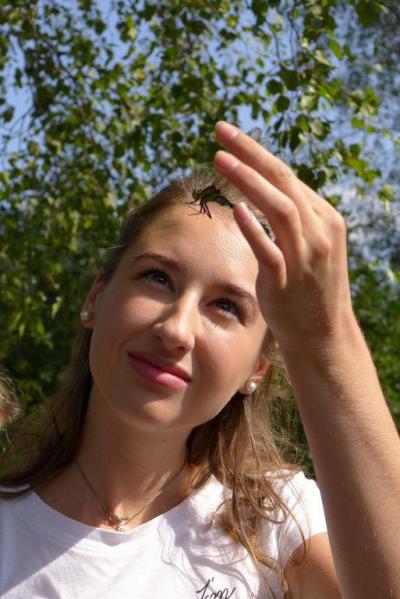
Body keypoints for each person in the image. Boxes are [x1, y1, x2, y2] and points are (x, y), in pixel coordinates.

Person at [0, 121, 399, 599]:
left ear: (258, 368)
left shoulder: (279, 521)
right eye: (156, 278)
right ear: (96, 298)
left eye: (227, 307)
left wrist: (328, 340)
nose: (176, 329)